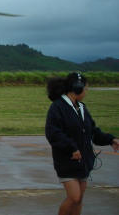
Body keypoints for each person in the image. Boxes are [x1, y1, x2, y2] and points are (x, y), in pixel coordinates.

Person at [45, 72, 119, 215]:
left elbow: (94, 132)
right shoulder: (58, 107)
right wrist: (72, 147)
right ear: (77, 88)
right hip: (68, 161)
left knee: (79, 200)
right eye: (85, 88)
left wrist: (111, 139)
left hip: (83, 161)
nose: (87, 91)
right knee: (74, 197)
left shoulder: (81, 108)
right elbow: (53, 133)